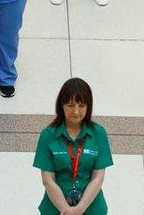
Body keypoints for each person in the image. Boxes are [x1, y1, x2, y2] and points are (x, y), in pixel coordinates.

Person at [33, 78, 114, 215]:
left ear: (88, 107)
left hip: (91, 206)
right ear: (61, 105)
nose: (76, 111)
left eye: (81, 106)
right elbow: (48, 180)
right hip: (56, 207)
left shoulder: (99, 133)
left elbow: (98, 177)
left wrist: (80, 208)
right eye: (70, 105)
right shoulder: (48, 135)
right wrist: (66, 210)